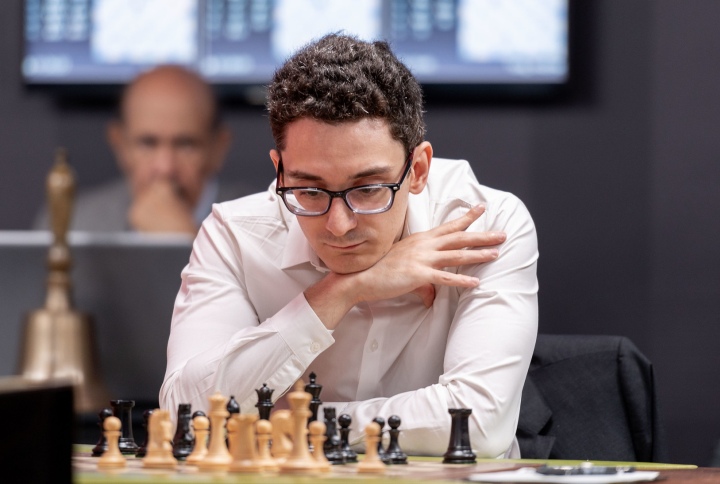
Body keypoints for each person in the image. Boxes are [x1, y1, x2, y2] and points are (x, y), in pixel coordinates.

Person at [160, 34, 538, 458]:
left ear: (417, 169)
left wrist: (284, 427)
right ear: (280, 172)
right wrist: (342, 291)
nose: (338, 226)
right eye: (310, 190)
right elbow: (182, 416)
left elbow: (478, 425)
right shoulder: (235, 234)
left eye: (369, 189)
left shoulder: (487, 223)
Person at [34, 65, 250, 235]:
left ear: (218, 148)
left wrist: (186, 244)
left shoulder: (263, 228)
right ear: (120, 145)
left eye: (186, 144)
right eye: (148, 143)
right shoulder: (70, 225)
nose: (165, 168)